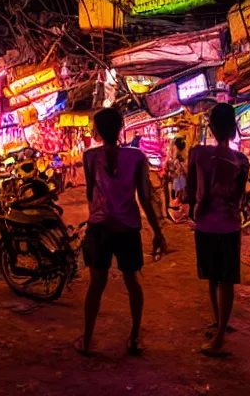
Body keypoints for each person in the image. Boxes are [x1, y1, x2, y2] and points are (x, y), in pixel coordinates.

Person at [76, 108, 166, 356]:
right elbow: (145, 198)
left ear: (97, 131)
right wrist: (158, 232)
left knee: (96, 284)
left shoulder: (90, 156)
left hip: (100, 227)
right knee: (132, 282)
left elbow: (90, 194)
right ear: (120, 128)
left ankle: (87, 339)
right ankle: (135, 336)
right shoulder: (136, 156)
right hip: (127, 228)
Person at [184, 104, 247, 357]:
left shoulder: (197, 153)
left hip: (205, 223)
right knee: (226, 279)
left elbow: (190, 189)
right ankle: (220, 324)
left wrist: (193, 211)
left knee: (212, 275)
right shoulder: (241, 160)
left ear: (210, 127)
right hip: (230, 224)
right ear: (233, 128)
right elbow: (240, 196)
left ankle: (219, 333)